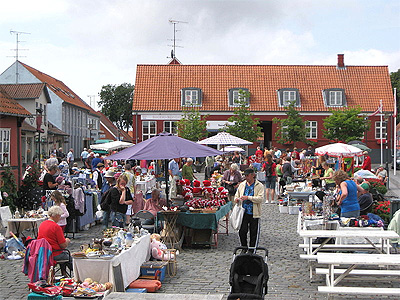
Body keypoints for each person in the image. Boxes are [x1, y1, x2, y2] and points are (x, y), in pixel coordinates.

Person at [234, 168, 264, 251]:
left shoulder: (259, 185)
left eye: (247, 175)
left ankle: (252, 249)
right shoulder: (242, 185)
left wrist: (248, 198)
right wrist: (236, 199)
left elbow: (260, 199)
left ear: (253, 175)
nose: (246, 177)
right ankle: (244, 247)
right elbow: (236, 195)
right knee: (242, 231)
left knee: (253, 233)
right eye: (245, 176)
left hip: (254, 212)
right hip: (243, 212)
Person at [37, 206, 72, 276]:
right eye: (59, 216)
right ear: (56, 216)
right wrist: (67, 240)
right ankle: (76, 272)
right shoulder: (56, 227)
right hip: (53, 253)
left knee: (64, 254)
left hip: (43, 252)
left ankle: (64, 274)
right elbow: (63, 245)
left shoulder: (42, 224)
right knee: (67, 256)